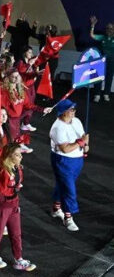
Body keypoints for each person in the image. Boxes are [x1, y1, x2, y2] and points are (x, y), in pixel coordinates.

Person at [0, 143, 37, 272]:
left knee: (16, 233)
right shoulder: (2, 170)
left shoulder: (17, 168)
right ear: (9, 156)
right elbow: (1, 190)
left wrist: (16, 187)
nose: (21, 157)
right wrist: (14, 186)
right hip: (3, 206)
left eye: (20, 154)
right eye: (17, 155)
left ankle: (18, 259)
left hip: (14, 203)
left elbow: (16, 185)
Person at [49, 99, 88, 232]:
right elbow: (65, 149)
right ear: (63, 112)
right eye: (71, 110)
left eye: (74, 109)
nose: (74, 112)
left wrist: (86, 145)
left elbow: (84, 136)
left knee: (63, 185)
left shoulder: (76, 121)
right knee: (69, 190)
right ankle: (68, 217)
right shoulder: (57, 128)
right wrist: (81, 142)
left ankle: (56, 208)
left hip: (77, 160)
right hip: (63, 161)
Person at [89, 16, 114, 102]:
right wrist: (92, 25)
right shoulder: (103, 37)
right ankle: (97, 95)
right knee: (98, 77)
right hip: (102, 61)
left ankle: (106, 94)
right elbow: (92, 35)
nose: (109, 30)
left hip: (112, 62)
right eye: (107, 28)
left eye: (111, 28)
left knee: (109, 77)